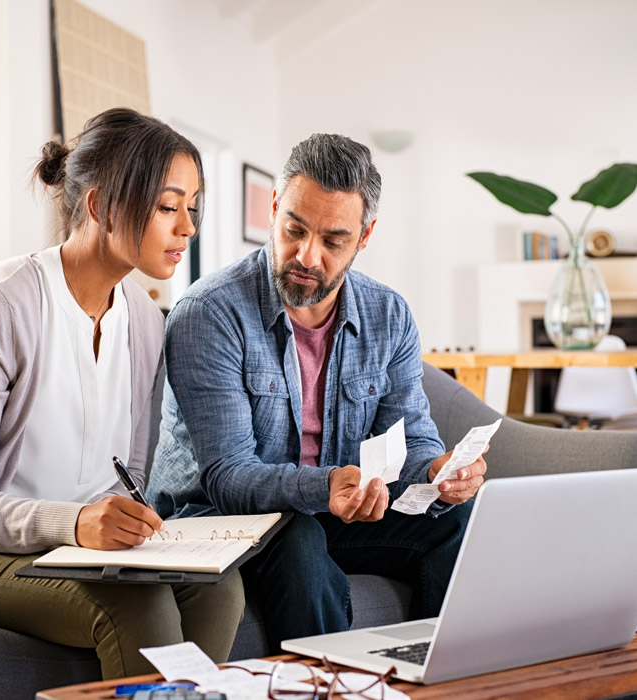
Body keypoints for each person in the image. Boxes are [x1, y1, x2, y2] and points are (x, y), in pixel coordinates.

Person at [147, 133, 487, 655]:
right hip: (217, 519)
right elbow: (227, 478)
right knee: (299, 538)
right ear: (275, 208)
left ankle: (434, 682)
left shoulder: (388, 315)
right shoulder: (210, 313)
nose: (307, 255)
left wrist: (437, 472)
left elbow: (412, 437)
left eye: (333, 241)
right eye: (294, 230)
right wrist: (327, 486)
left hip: (332, 509)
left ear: (364, 236)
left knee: (457, 521)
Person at [0, 108, 244, 678]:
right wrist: (75, 523)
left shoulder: (148, 322)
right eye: (167, 206)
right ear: (101, 206)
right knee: (139, 602)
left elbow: (126, 472)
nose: (187, 228)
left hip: (78, 549)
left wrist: (133, 523)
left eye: (192, 208)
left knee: (219, 588)